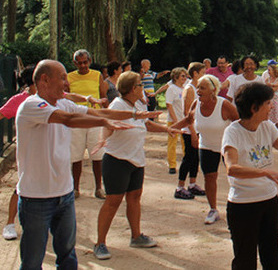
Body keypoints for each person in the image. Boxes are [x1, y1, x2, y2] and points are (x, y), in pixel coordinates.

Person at [15, 59, 143, 269]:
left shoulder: (63, 102)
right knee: (32, 261)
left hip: (63, 196)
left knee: (67, 256)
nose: (67, 83)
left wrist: (136, 114)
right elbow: (69, 120)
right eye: (63, 78)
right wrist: (103, 122)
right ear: (45, 80)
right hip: (36, 199)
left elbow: (99, 112)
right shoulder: (32, 106)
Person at [93, 71, 179, 260]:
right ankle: (100, 243)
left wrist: (166, 129)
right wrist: (102, 140)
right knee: (113, 201)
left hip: (136, 161)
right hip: (117, 161)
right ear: (133, 88)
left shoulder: (138, 104)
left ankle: (136, 236)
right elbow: (107, 125)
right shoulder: (117, 105)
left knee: (134, 197)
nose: (143, 87)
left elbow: (146, 123)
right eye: (140, 84)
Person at [222, 82, 278, 269]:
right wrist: (266, 172)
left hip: (269, 201)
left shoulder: (267, 127)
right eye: (268, 103)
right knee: (245, 261)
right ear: (254, 107)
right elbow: (232, 168)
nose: (273, 106)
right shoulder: (232, 132)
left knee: (271, 256)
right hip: (242, 205)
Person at [182, 74, 239, 224]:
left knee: (235, 176)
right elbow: (188, 120)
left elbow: (238, 121)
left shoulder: (224, 104)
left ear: (213, 90)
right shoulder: (196, 104)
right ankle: (213, 209)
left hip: (226, 146)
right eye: (198, 87)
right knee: (209, 177)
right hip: (206, 146)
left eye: (202, 88)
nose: (198, 90)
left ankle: (241, 206)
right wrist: (169, 129)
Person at [68, 49, 109, 199]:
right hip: (77, 121)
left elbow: (103, 97)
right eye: (79, 63)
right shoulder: (69, 77)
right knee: (76, 156)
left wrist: (108, 114)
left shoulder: (97, 75)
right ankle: (75, 188)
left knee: (97, 155)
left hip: (94, 119)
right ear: (75, 63)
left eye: (85, 62)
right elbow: (66, 98)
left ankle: (99, 188)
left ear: (90, 61)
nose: (83, 65)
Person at [2, 67, 36, 241]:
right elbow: (1, 113)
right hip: (28, 154)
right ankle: (9, 223)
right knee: (22, 187)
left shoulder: (53, 98)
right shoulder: (20, 100)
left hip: (48, 154)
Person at [165, 67, 188, 175]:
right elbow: (169, 105)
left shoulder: (185, 88)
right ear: (176, 77)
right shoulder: (171, 88)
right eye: (182, 76)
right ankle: (172, 165)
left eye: (185, 76)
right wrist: (175, 120)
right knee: (172, 143)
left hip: (184, 120)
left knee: (185, 143)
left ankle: (187, 162)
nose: (185, 78)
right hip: (174, 121)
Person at [263, 60, 278, 130]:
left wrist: (270, 85)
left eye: (270, 70)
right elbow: (266, 88)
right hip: (270, 99)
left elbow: (275, 88)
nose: (268, 72)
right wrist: (272, 85)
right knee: (268, 117)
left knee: (277, 118)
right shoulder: (267, 79)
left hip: (277, 100)